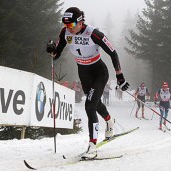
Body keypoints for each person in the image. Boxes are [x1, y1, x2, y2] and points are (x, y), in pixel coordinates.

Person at [46, 7, 130, 159]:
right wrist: (52, 50)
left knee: (89, 105)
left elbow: (113, 52)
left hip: (99, 72)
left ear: (80, 22)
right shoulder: (64, 32)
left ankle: (92, 146)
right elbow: (56, 54)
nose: (68, 29)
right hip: (83, 72)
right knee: (95, 103)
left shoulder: (93, 33)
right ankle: (110, 121)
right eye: (66, 25)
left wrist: (120, 76)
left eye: (71, 25)